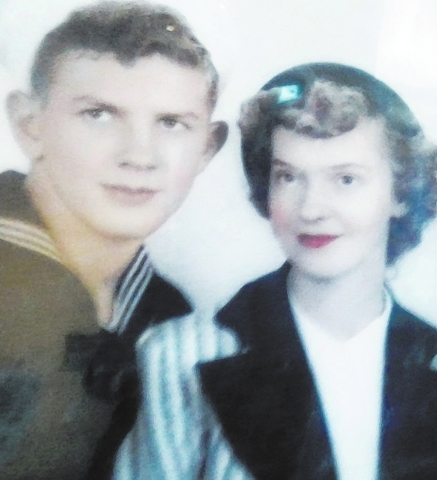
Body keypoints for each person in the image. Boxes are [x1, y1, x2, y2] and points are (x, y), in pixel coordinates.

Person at [117, 63, 437, 479]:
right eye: (288, 177)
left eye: (345, 179)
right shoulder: (183, 353)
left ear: (401, 192)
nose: (311, 209)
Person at [0, 2, 227, 479]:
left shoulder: (169, 320)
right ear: (29, 125)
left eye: (171, 123)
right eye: (99, 114)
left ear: (207, 147)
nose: (140, 156)